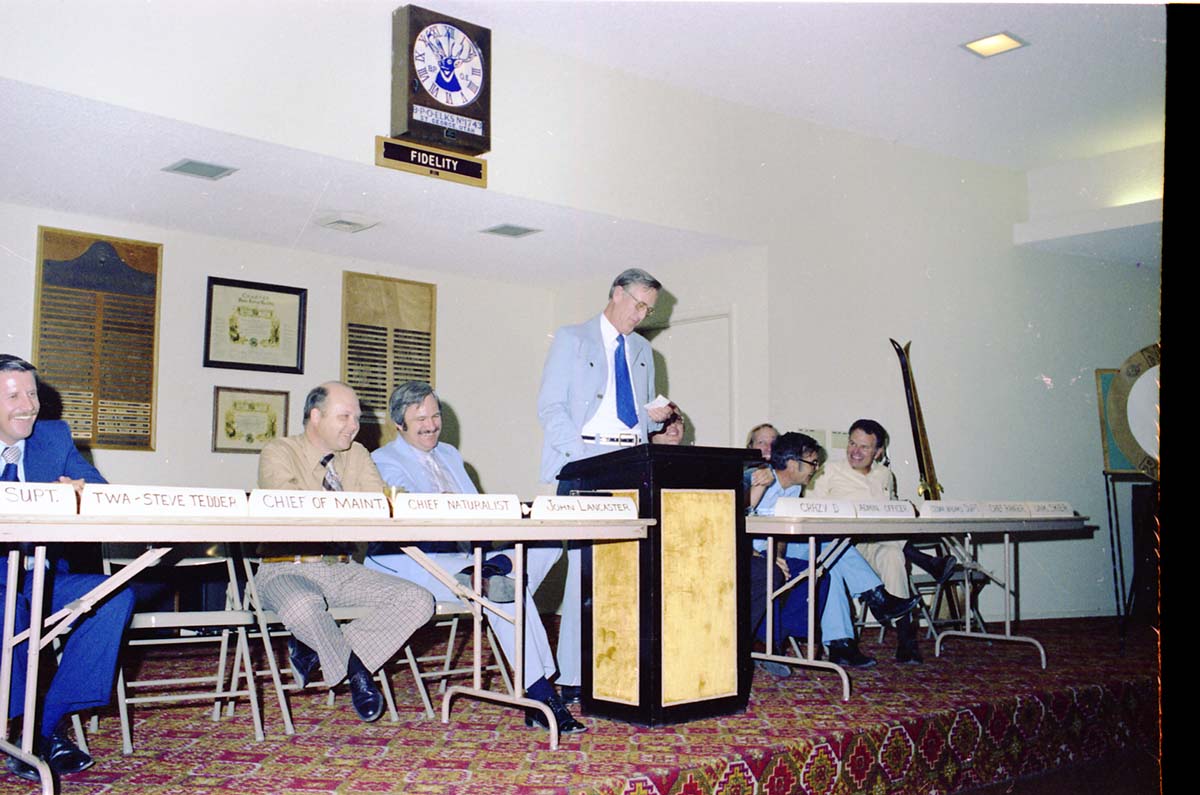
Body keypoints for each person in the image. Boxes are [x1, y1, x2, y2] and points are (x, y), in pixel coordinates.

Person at [366, 382, 583, 734]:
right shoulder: (382, 460)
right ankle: (540, 692)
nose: (431, 424)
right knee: (502, 590)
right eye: (420, 418)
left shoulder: (450, 455)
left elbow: (479, 510)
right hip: (408, 560)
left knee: (545, 545)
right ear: (399, 425)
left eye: (435, 415)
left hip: (461, 558)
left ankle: (490, 570)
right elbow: (411, 514)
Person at [255, 381, 434, 722]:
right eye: (345, 416)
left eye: (357, 417)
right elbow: (295, 508)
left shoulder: (358, 454)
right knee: (303, 604)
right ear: (315, 416)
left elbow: (377, 508)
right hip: (284, 567)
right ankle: (358, 674)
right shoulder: (278, 451)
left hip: (342, 567)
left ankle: (311, 646)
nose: (354, 425)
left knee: (419, 601)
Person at [536, 268, 674, 701]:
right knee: (583, 572)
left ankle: (616, 668)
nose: (641, 314)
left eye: (648, 309)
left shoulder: (645, 351)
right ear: (616, 293)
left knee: (624, 571)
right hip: (584, 459)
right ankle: (576, 677)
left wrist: (658, 423)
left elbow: (639, 409)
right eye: (638, 304)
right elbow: (551, 406)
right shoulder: (572, 338)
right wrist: (579, 458)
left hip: (630, 460)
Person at [0, 354, 136, 783]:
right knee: (12, 606)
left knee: (114, 594)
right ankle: (24, 726)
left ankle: (38, 727)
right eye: (13, 395)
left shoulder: (54, 436)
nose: (28, 405)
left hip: (39, 573)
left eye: (32, 393)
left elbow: (100, 492)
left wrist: (76, 494)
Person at [749, 431, 920, 667]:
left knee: (830, 563)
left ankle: (841, 643)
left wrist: (776, 555)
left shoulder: (792, 488)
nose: (815, 468)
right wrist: (768, 556)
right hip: (755, 554)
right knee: (830, 546)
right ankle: (874, 598)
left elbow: (780, 533)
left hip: (777, 549)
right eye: (812, 463)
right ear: (792, 464)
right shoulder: (761, 480)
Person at [808, 419, 956, 662]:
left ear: (878, 452)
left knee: (892, 555)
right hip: (845, 549)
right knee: (891, 549)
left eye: (864, 447)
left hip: (879, 544)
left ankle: (905, 640)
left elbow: (891, 515)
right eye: (852, 443)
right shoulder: (828, 471)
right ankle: (927, 563)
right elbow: (812, 511)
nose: (855, 451)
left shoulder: (885, 474)